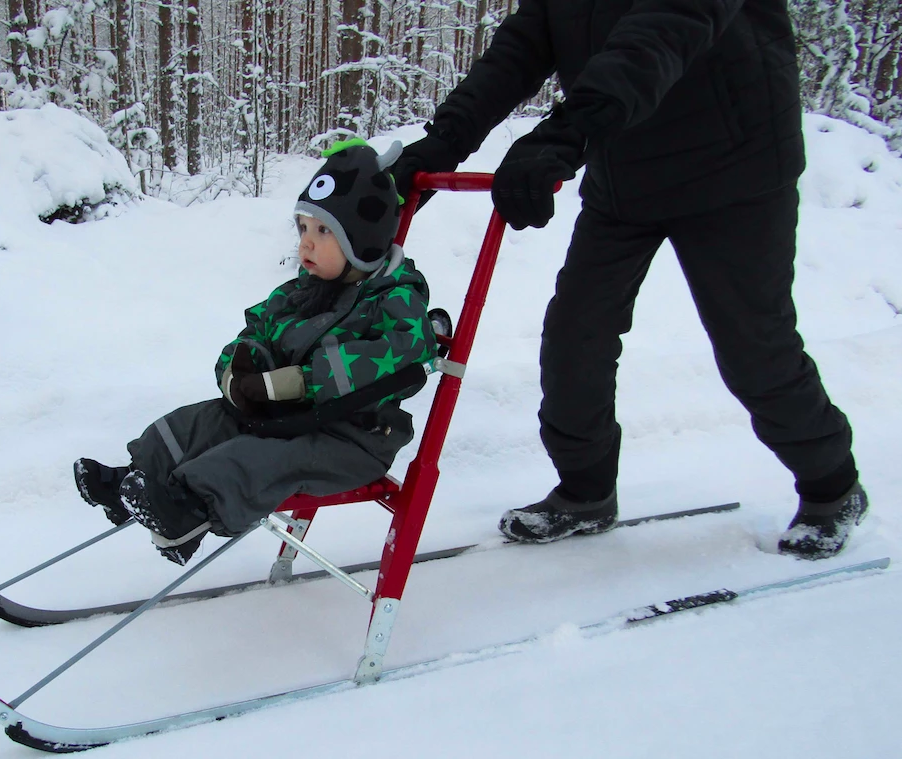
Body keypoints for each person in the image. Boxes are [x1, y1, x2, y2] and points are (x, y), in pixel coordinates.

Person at [390, 0, 867, 560]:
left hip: (734, 171)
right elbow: (522, 46)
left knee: (754, 347)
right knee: (575, 336)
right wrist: (446, 138)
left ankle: (832, 489)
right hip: (627, 169)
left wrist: (566, 134)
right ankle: (586, 493)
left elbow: (661, 32)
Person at [74, 139, 437, 564]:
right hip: (290, 419)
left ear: (363, 238)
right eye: (302, 229)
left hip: (353, 439)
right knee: (202, 420)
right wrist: (239, 371)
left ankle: (188, 513)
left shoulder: (396, 297)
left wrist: (300, 382)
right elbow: (255, 329)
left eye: (323, 232)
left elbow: (403, 352)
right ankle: (136, 478)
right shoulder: (301, 292)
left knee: (261, 458)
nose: (306, 245)